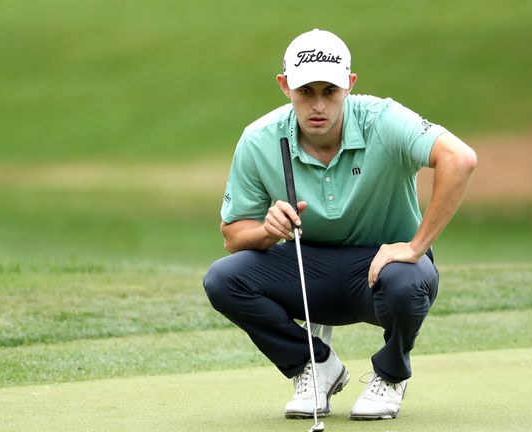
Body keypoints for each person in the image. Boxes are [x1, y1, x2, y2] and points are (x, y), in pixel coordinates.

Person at [203, 29, 476, 421]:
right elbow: (232, 236)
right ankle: (313, 365)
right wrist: (268, 231)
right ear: (285, 86)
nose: (318, 105)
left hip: (382, 268)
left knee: (407, 281)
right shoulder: (259, 138)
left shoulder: (383, 119)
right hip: (306, 268)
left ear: (349, 85)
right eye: (306, 91)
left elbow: (460, 159)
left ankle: (391, 375)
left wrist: (415, 247)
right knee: (223, 279)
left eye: (329, 91)